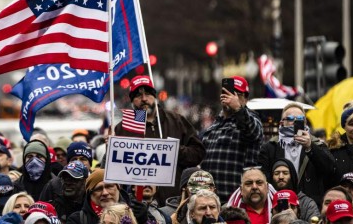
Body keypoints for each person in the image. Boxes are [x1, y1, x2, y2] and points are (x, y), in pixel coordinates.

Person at [114, 75, 205, 205]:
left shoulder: (176, 120)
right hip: (140, 204)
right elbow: (116, 170)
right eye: (138, 96)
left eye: (148, 94)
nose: (144, 99)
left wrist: (174, 150)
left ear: (155, 96)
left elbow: (198, 153)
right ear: (132, 100)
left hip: (174, 201)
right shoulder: (123, 128)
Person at [258, 102, 336, 206]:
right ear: (282, 123)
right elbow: (264, 178)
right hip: (280, 202)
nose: (294, 122)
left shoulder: (317, 144)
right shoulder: (270, 147)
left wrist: (310, 147)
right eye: (290, 118)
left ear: (305, 123)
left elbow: (330, 169)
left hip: (310, 204)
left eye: (299, 119)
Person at [201, 76, 264, 202]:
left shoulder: (252, 120)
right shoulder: (213, 126)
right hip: (211, 202)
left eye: (237, 94)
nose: (230, 97)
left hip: (237, 201)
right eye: (226, 92)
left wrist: (238, 109)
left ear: (245, 99)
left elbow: (251, 130)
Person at [67, 169, 148, 224]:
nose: (105, 193)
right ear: (90, 194)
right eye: (98, 189)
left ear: (118, 188)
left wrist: (142, 221)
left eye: (109, 186)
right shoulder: (77, 220)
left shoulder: (136, 212)